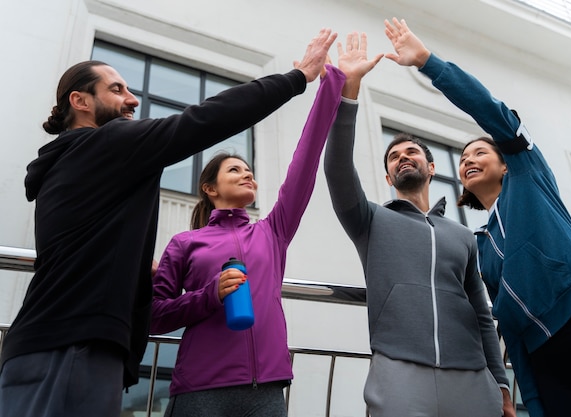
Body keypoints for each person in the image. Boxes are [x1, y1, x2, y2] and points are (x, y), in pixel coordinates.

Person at [0, 28, 338, 417]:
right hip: (73, 346)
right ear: (80, 101)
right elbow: (203, 120)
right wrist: (297, 78)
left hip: (47, 341)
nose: (132, 99)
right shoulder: (105, 144)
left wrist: (133, 269)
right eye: (116, 89)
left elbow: (83, 243)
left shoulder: (66, 164)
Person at [384, 17, 571, 417]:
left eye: (480, 152)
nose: (468, 160)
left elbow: (488, 109)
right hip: (549, 364)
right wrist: (528, 399)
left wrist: (428, 62)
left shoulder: (529, 173)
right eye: (462, 160)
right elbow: (509, 329)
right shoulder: (482, 247)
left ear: (505, 163)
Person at [148, 33, 380, 417]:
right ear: (209, 187)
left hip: (267, 391)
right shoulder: (185, 243)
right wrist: (210, 295)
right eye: (235, 170)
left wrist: (333, 84)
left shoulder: (272, 231)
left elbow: (305, 162)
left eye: (249, 171)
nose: (247, 175)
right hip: (200, 390)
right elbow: (155, 314)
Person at [324, 32, 514, 417]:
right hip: (398, 368)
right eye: (393, 157)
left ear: (431, 168)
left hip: (472, 375)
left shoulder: (463, 236)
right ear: (390, 177)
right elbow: (337, 169)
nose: (402, 157)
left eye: (411, 152)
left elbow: (481, 310)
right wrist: (349, 92)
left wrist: (500, 382)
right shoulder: (370, 219)